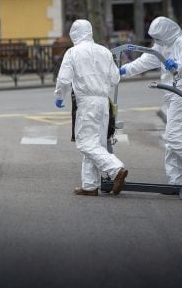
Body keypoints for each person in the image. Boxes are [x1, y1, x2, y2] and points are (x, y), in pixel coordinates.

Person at [119, 16, 182, 196]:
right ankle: (176, 182)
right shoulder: (162, 45)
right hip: (175, 94)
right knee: (175, 139)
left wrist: (178, 65)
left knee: (174, 137)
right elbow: (147, 60)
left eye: (157, 37)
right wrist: (125, 70)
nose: (155, 41)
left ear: (166, 32)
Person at [54, 19, 128, 196]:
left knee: (85, 143)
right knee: (97, 144)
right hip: (103, 102)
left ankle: (115, 168)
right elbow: (115, 79)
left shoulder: (73, 52)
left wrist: (59, 96)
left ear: (74, 34)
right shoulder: (104, 51)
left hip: (87, 102)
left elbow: (64, 79)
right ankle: (89, 186)